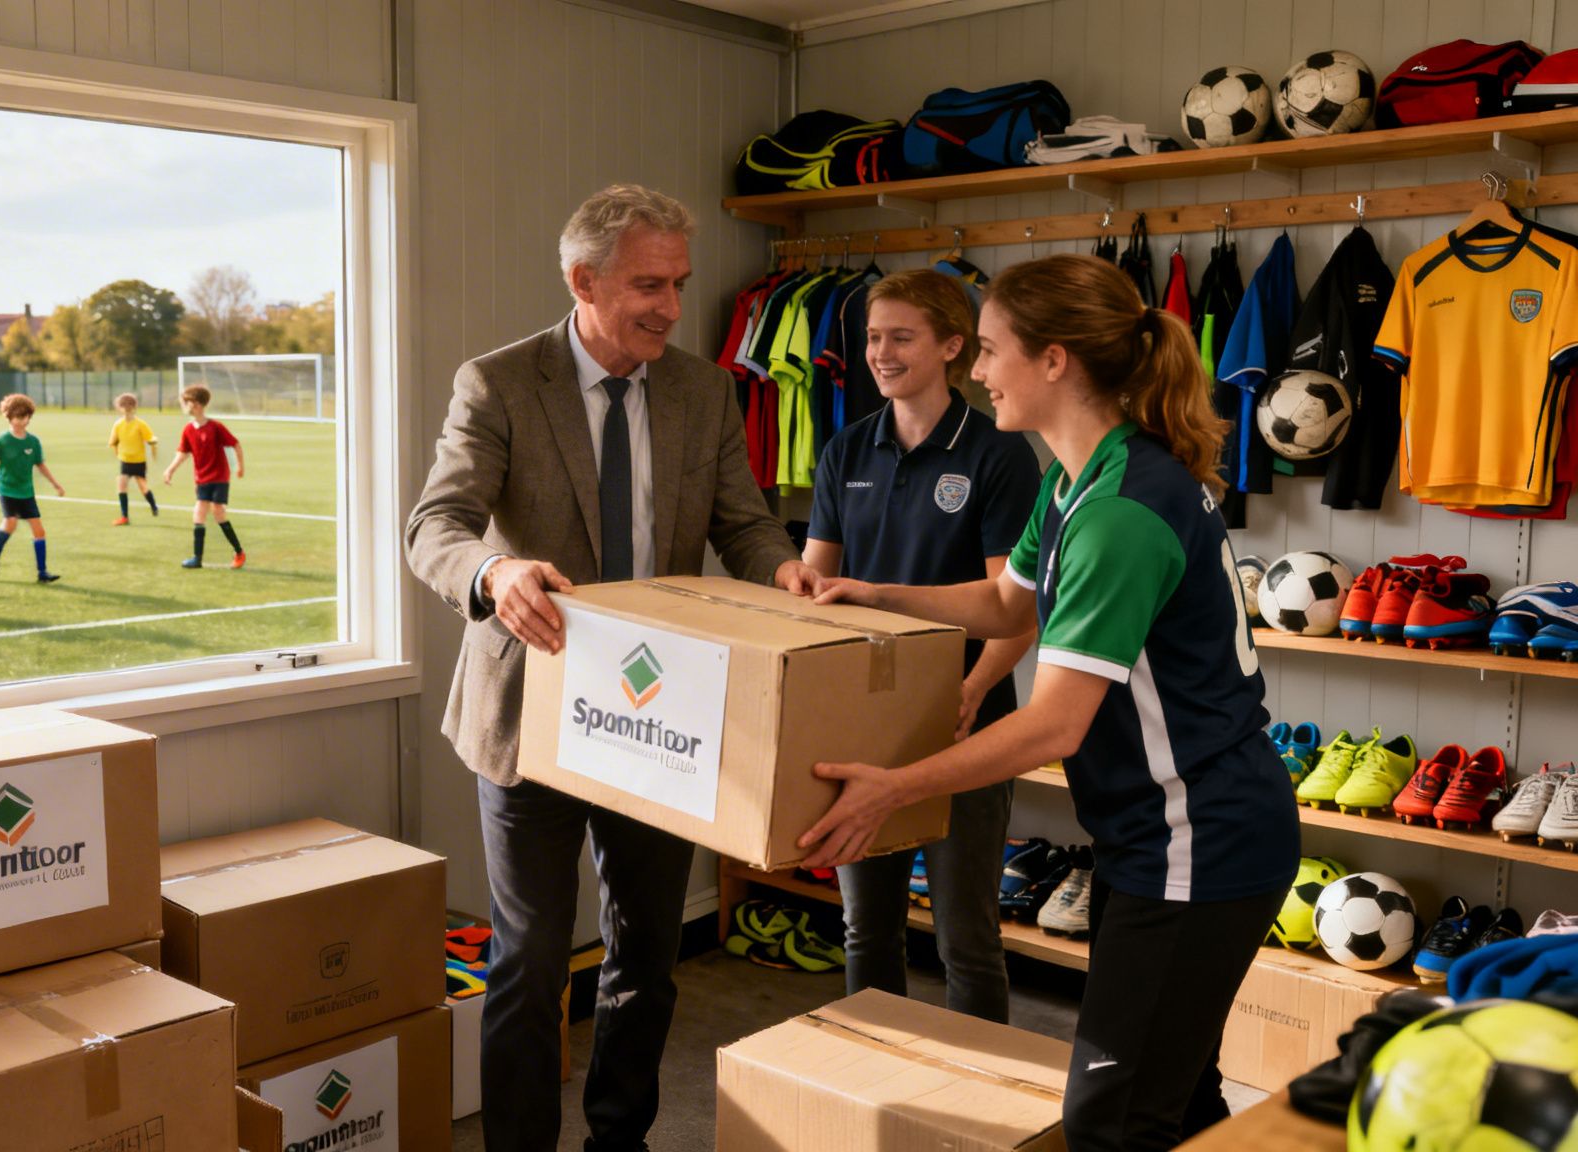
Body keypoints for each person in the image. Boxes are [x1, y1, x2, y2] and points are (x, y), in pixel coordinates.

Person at [799, 254, 1299, 1151]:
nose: (979, 371)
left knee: (1109, 1120)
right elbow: (1003, 604)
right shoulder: (1080, 479)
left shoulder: (1117, 511)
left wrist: (895, 785)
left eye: (989, 351)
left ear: (1055, 360)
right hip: (1156, 838)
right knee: (1173, 1097)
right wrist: (870, 592)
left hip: (1200, 841)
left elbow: (1053, 723)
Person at [405, 183, 819, 1152]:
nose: (670, 309)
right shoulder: (497, 383)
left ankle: (616, 1140)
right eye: (646, 285)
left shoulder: (701, 390)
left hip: (656, 718)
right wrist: (494, 570)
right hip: (529, 717)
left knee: (646, 952)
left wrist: (786, 570)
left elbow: (742, 523)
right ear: (580, 280)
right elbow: (435, 528)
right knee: (530, 961)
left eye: (677, 284)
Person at [804, 269, 1039, 1019]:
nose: (880, 353)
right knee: (865, 927)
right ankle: (870, 1087)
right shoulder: (846, 451)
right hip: (867, 723)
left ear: (950, 346)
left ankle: (983, 1114)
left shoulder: (998, 456)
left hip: (968, 723)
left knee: (964, 935)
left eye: (901, 337)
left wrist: (968, 692)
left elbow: (1016, 614)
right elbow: (816, 589)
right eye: (873, 337)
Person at [0, 393, 65, 582]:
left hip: (26, 492)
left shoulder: (33, 442)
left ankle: (42, 573)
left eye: (24, 416)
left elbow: (40, 464)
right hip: (7, 490)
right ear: (8, 417)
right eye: (17, 416)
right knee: (11, 523)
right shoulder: (1, 441)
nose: (21, 420)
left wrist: (55, 484)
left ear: (29, 417)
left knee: (39, 532)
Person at [161, 385, 246, 570]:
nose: (185, 406)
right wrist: (170, 470)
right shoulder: (188, 429)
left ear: (197, 405)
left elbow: (235, 444)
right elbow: (183, 453)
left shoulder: (216, 427)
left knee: (218, 512)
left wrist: (240, 466)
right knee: (199, 514)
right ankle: (197, 558)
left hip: (219, 477)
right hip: (202, 479)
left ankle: (239, 552)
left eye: (187, 402)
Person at [108, 392, 161, 525]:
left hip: (139, 461)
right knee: (121, 485)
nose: (126, 407)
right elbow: (113, 441)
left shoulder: (140, 424)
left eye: (129, 404)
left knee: (143, 486)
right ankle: (124, 517)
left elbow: (150, 439)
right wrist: (117, 452)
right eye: (123, 404)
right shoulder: (118, 424)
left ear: (134, 406)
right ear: (119, 407)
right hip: (125, 461)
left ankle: (153, 506)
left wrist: (153, 443)